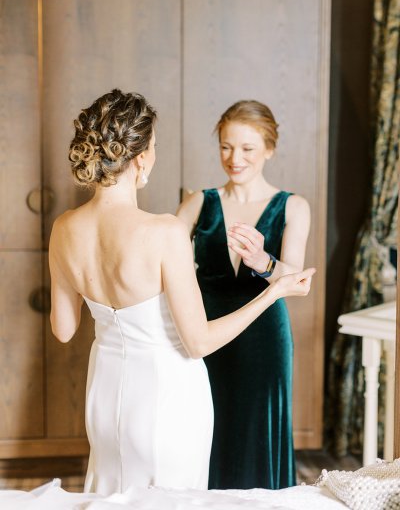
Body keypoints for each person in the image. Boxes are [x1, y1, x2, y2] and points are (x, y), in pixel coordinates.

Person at [49, 90, 314, 496]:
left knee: (110, 494)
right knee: (172, 499)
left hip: (104, 393)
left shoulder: (63, 228)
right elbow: (197, 343)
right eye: (153, 147)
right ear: (139, 157)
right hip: (166, 395)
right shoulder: (164, 231)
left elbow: (64, 329)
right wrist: (270, 293)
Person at [177, 100, 311, 490]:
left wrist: (260, 259)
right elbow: (161, 259)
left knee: (257, 430)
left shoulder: (293, 206)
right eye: (226, 146)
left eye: (247, 148)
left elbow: (294, 279)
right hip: (204, 333)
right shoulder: (198, 202)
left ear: (269, 148)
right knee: (206, 427)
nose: (234, 158)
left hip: (263, 339)